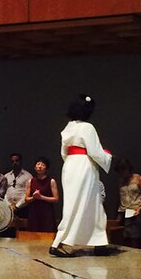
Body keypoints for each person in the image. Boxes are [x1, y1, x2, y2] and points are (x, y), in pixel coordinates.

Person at [50, 94, 112, 257]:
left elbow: (64, 152)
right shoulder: (87, 127)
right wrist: (107, 156)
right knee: (85, 202)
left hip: (70, 165)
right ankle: (61, 242)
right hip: (85, 166)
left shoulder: (68, 127)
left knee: (81, 203)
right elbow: (95, 151)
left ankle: (98, 242)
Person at [114, 158, 141, 249]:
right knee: (122, 239)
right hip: (123, 212)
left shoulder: (139, 179)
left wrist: (139, 209)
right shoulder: (121, 181)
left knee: (134, 239)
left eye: (123, 171)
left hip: (135, 211)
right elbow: (121, 197)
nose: (122, 174)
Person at [24, 156, 59, 232]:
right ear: (35, 167)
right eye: (38, 164)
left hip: (47, 213)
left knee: (47, 234)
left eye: (43, 165)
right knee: (32, 234)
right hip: (34, 212)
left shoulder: (51, 181)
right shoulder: (31, 181)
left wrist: (41, 197)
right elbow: (26, 199)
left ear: (46, 168)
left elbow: (56, 199)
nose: (40, 166)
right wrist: (33, 197)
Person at [4, 153, 33, 218]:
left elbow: (28, 194)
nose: (15, 163)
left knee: (23, 227)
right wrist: (9, 205)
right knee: (9, 227)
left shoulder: (28, 176)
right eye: (12, 161)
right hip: (8, 208)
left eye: (17, 161)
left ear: (21, 162)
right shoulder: (6, 176)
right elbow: (4, 193)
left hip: (23, 208)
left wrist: (17, 206)